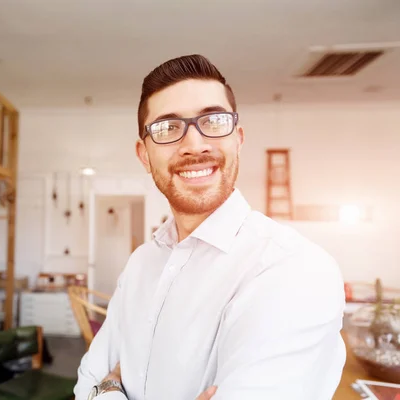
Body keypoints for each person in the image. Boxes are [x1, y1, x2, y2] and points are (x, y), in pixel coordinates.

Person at [73, 54, 346, 400]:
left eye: (213, 121)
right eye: (167, 128)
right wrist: (106, 383)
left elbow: (101, 384)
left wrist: (110, 386)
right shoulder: (142, 263)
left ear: (238, 139)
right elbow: (89, 381)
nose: (195, 145)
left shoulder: (294, 268)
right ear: (144, 155)